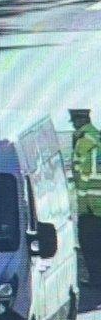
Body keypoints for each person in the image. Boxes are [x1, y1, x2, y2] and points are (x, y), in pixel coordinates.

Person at [71, 109, 101, 286]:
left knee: (90, 247)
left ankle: (96, 281)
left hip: (91, 209)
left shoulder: (83, 142)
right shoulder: (97, 137)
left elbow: (80, 178)